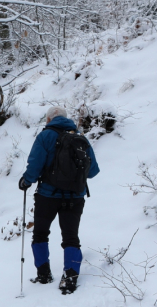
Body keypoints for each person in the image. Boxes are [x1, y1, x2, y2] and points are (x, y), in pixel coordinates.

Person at [18, 106, 100, 294]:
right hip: (75, 197)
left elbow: (35, 164)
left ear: (48, 120)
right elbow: (93, 171)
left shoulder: (45, 136)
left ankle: (44, 274)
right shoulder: (81, 138)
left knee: (40, 233)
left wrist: (26, 181)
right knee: (71, 237)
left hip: (47, 195)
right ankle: (69, 279)